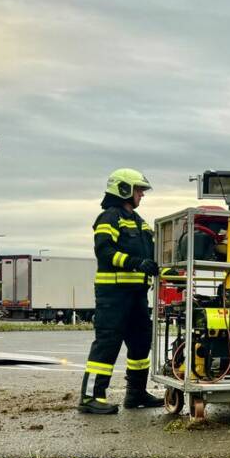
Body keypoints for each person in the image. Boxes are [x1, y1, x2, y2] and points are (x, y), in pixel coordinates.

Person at [80, 168, 163, 414]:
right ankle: (89, 398)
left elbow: (154, 256)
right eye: (138, 190)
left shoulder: (140, 222)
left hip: (137, 295)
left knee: (141, 343)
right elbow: (104, 252)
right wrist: (135, 263)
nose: (142, 195)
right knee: (107, 345)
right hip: (113, 295)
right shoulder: (108, 218)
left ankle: (136, 394)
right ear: (124, 189)